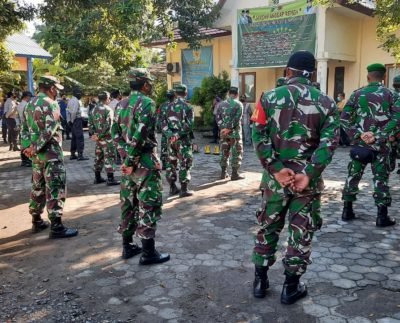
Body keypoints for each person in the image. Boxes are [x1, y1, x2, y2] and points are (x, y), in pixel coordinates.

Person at [251, 51, 339, 304]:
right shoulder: (327, 102)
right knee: (301, 233)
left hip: (274, 181)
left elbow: (258, 137)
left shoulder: (267, 98)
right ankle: (290, 288)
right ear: (312, 74)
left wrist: (276, 169)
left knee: (268, 227)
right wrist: (308, 174)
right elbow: (329, 144)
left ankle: (260, 282)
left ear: (287, 71)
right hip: (306, 184)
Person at [112, 68, 169, 264]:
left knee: (128, 203)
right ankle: (148, 253)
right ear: (145, 84)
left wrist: (125, 158)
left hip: (128, 166)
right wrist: (130, 160)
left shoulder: (121, 104)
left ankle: (127, 246)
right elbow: (141, 132)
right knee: (148, 204)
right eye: (150, 83)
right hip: (143, 162)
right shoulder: (147, 103)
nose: (151, 86)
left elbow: (115, 133)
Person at [341, 63, 400, 227]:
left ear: (368, 77)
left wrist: (359, 134)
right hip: (381, 147)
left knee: (352, 177)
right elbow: (397, 119)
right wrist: (378, 135)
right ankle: (382, 217)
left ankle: (347, 210)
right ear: (384, 77)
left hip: (360, 146)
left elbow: (344, 118)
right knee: (381, 180)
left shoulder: (357, 94)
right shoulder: (392, 95)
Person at [20, 75, 78, 238]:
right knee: (55, 186)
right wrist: (36, 147)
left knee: (37, 185)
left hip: (36, 156)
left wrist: (27, 148)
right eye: (56, 89)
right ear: (51, 88)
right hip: (50, 153)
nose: (57, 93)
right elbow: (49, 131)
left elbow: (24, 128)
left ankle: (37, 220)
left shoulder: (29, 103)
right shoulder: (51, 104)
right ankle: (57, 227)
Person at [162, 84, 194, 198]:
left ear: (175, 93)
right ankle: (184, 190)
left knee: (171, 163)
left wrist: (171, 135)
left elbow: (163, 124)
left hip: (170, 141)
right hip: (183, 140)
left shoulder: (167, 106)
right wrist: (178, 134)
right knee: (184, 163)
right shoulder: (188, 107)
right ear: (185, 93)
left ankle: (172, 188)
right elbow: (189, 125)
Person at [88, 91, 120, 186]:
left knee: (99, 157)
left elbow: (90, 124)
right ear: (106, 98)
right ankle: (110, 179)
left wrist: (94, 134)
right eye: (109, 98)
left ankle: (97, 178)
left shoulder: (93, 109)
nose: (109, 100)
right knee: (109, 157)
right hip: (107, 138)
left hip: (98, 139)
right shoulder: (108, 110)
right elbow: (108, 125)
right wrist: (101, 135)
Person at [216, 86, 244, 180]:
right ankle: (234, 174)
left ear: (228, 93)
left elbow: (217, 117)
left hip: (223, 133)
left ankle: (223, 173)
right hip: (235, 133)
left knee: (224, 151)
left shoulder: (220, 104)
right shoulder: (239, 104)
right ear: (237, 94)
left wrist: (223, 128)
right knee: (236, 152)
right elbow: (237, 118)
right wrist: (229, 128)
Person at [67, 87, 89, 161]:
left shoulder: (70, 100)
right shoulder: (76, 101)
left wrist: (69, 121)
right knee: (80, 138)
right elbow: (74, 112)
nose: (81, 95)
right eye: (80, 94)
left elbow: (68, 111)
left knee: (74, 138)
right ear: (77, 94)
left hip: (73, 121)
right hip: (76, 120)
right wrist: (73, 120)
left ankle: (72, 154)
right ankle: (80, 155)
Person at [157, 89, 176, 170]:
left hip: (165, 129)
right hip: (174, 129)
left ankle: (164, 164)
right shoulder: (176, 105)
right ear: (174, 96)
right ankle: (173, 164)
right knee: (174, 146)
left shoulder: (162, 105)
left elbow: (158, 118)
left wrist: (159, 128)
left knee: (164, 146)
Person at [16, 91, 33, 167]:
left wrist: (18, 125)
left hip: (22, 125)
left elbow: (17, 117)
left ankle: (23, 160)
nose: (30, 98)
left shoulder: (19, 105)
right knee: (28, 143)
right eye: (30, 97)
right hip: (27, 126)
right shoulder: (27, 105)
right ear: (27, 97)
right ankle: (27, 160)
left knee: (23, 143)